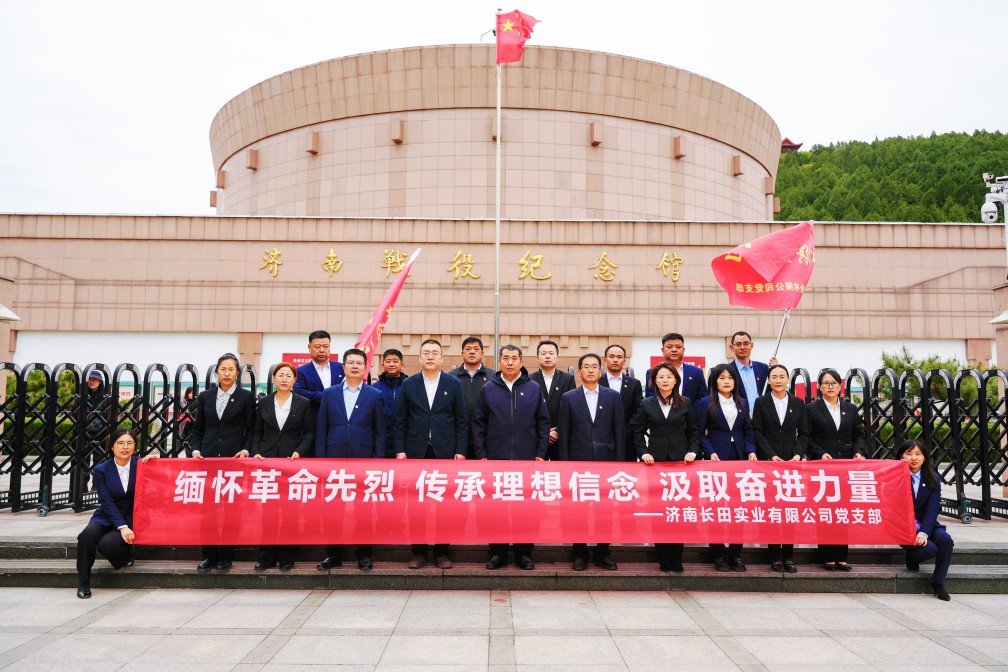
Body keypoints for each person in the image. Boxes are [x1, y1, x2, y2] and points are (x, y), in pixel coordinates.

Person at [473, 344, 550, 570]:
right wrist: (482, 455)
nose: (509, 362)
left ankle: (524, 553)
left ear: (521, 362)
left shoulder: (533, 388)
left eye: (514, 358)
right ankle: (497, 552)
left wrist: (540, 454)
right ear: (499, 362)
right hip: (496, 459)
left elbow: (543, 423)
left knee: (527, 509)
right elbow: (478, 423)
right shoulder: (488, 388)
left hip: (527, 459)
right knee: (496, 508)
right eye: (505, 358)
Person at [393, 338, 467, 569]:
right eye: (426, 352)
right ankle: (419, 552)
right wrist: (400, 450)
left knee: (445, 505)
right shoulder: (409, 384)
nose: (431, 356)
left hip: (445, 452)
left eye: (435, 352)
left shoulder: (453, 384)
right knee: (417, 505)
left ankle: (442, 552)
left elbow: (461, 421)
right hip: (416, 452)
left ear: (442, 358)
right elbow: (401, 420)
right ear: (419, 358)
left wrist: (460, 451)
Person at [315, 348, 386, 571]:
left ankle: (363, 554)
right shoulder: (329, 393)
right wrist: (320, 462)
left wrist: (376, 462)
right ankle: (333, 554)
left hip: (364, 462)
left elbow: (380, 432)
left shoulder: (375, 395)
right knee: (333, 510)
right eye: (350, 362)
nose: (355, 366)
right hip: (333, 460)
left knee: (363, 511)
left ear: (366, 368)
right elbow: (322, 429)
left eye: (359, 363)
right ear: (343, 367)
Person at [558, 353, 625, 570]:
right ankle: (579, 552)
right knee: (578, 511)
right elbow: (564, 435)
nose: (590, 370)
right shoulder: (569, 397)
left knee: (605, 510)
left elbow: (619, 432)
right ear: (579, 372)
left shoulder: (612, 396)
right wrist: (565, 466)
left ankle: (603, 552)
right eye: (586, 367)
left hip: (606, 463)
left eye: (594, 366)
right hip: (578, 463)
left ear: (600, 371)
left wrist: (619, 465)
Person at [190, 353, 256, 572]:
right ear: (217, 371)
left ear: (237, 373)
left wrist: (245, 450)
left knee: (230, 511)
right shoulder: (205, 396)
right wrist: (196, 450)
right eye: (223, 369)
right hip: (207, 460)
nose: (227, 373)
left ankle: (226, 556)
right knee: (207, 511)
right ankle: (208, 555)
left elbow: (251, 429)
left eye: (231, 369)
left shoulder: (245, 397)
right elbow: (198, 429)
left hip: (233, 461)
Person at [246, 362, 315, 572]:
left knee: (290, 513)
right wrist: (256, 451)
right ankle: (266, 557)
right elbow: (257, 431)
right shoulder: (264, 402)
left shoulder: (303, 403)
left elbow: (309, 432)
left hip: (292, 463)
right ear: (274, 379)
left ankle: (287, 558)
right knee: (267, 512)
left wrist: (300, 451)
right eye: (281, 375)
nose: (284, 379)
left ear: (295, 380)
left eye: (289, 375)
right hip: (267, 463)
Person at [632, 363, 700, 572]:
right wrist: (644, 453)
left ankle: (677, 559)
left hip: (681, 464)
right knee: (659, 511)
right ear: (654, 381)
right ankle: (663, 559)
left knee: (678, 512)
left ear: (676, 380)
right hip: (656, 465)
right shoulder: (646, 403)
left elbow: (694, 432)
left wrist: (692, 451)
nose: (665, 380)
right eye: (660, 377)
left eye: (669, 377)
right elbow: (637, 433)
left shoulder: (685, 402)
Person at [75, 428, 157, 599]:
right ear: (112, 447)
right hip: (106, 515)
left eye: (129, 443)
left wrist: (156, 463)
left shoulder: (141, 465)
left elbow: (163, 479)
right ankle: (83, 582)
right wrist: (122, 527)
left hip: (131, 516)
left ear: (135, 447)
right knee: (86, 536)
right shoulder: (101, 470)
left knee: (106, 545)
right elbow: (106, 501)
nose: (125, 447)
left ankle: (126, 556)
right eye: (120, 443)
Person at [695, 363, 756, 572]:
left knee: (738, 509)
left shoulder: (742, 403)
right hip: (716, 460)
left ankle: (736, 554)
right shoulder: (705, 403)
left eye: (730, 378)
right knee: (716, 508)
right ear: (715, 381)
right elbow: (699, 433)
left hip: (739, 459)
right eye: (722, 378)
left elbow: (748, 431)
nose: (726, 381)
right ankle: (719, 554)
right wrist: (709, 451)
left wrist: (751, 450)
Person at [806, 367, 865, 571]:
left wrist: (858, 452)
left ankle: (841, 556)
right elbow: (807, 437)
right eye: (826, 383)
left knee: (842, 511)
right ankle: (827, 556)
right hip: (822, 467)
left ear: (840, 386)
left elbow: (859, 435)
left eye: (834, 383)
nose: (830, 386)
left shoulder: (851, 408)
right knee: (825, 511)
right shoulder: (811, 409)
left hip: (846, 466)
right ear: (819, 387)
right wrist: (820, 453)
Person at [752, 364, 808, 573]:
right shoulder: (761, 402)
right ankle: (775, 556)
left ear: (787, 380)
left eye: (782, 376)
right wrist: (770, 455)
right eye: (774, 376)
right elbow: (758, 431)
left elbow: (804, 433)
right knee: (773, 511)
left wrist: (797, 454)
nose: (778, 380)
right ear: (768, 380)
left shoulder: (798, 403)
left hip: (791, 464)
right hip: (769, 464)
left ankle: (789, 556)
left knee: (789, 510)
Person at [899, 439, 954, 601]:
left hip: (927, 524)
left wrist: (923, 532)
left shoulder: (933, 478)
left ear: (925, 457)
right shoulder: (895, 477)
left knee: (945, 540)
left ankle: (938, 583)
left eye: (918, 454)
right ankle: (911, 556)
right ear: (901, 456)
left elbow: (932, 508)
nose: (913, 458)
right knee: (929, 550)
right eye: (908, 454)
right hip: (904, 526)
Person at [529, 340, 576, 460]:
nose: (547, 356)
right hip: (536, 438)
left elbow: (571, 409)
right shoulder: (529, 380)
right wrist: (543, 432)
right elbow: (527, 410)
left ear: (557, 357)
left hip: (560, 437)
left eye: (551, 353)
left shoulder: (568, 379)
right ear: (537, 357)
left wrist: (558, 430)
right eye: (543, 353)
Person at [449, 336, 494, 459]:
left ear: (482, 354)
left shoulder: (493, 377)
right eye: (468, 349)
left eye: (476, 349)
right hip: (458, 440)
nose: (472, 352)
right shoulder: (451, 377)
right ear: (462, 354)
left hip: (485, 439)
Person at [598, 344, 643, 462]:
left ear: (624, 360)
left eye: (619, 357)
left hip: (628, 440)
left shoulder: (634, 384)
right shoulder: (597, 383)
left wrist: (625, 431)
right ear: (605, 360)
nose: (615, 360)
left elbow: (639, 410)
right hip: (601, 440)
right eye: (611, 356)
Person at [292, 330, 346, 413]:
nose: (322, 350)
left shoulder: (342, 368)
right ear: (309, 347)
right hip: (314, 416)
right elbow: (299, 393)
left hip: (339, 416)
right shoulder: (301, 371)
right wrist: (328, 396)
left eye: (326, 346)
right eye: (317, 347)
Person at [645, 333, 705, 400]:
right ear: (662, 350)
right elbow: (650, 398)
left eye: (678, 347)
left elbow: (702, 398)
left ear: (683, 350)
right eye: (669, 347)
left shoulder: (696, 372)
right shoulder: (652, 372)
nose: (674, 350)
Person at [726, 330, 776, 411]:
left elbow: (774, 390)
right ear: (731, 348)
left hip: (762, 416)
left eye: (746, 344)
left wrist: (775, 369)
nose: (742, 347)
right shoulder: (727, 370)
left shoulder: (763, 368)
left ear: (751, 346)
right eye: (738, 344)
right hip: (739, 416)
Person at [80, 370, 112, 491]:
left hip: (100, 433)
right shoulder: (82, 395)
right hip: (85, 433)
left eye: (94, 379)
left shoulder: (105, 397)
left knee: (99, 461)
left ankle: (96, 486)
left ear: (100, 382)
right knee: (84, 460)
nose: (91, 382)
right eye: (90, 379)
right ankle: (82, 486)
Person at [372, 348, 408, 447]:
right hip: (379, 442)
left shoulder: (410, 387)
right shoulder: (374, 389)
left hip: (404, 442)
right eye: (388, 361)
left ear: (402, 365)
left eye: (395, 361)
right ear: (383, 365)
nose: (392, 364)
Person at [177, 386, 197, 455]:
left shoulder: (196, 401)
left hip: (194, 424)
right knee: (187, 442)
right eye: (191, 393)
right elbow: (184, 412)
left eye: (194, 393)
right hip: (186, 425)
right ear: (187, 393)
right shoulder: (183, 401)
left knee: (194, 442)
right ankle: (188, 458)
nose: (192, 395)